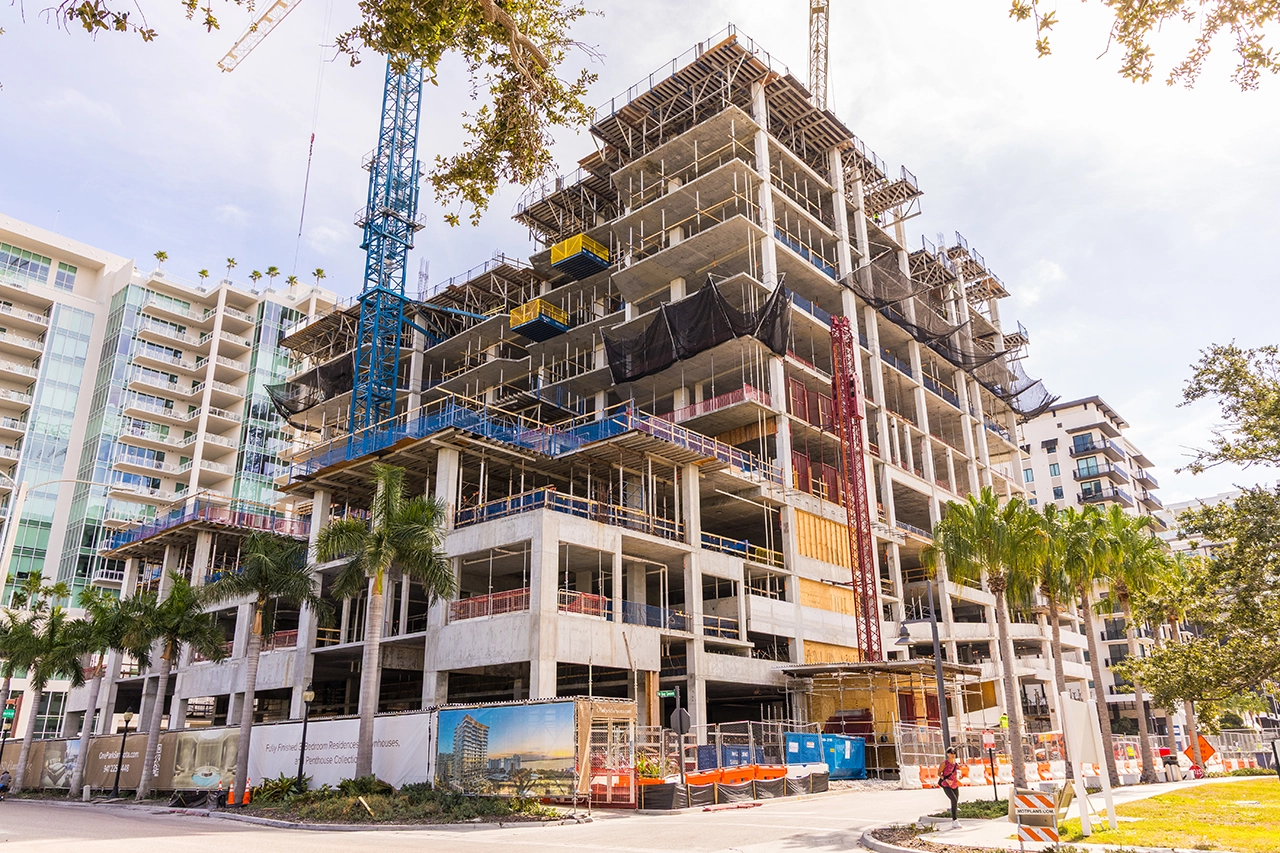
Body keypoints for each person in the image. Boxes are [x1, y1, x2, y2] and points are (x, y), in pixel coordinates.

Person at [938, 748, 961, 829]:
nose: (953, 754)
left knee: (955, 801)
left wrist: (960, 775)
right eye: (951, 753)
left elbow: (959, 772)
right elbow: (939, 773)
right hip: (946, 784)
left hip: (954, 784)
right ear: (947, 754)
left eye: (954, 753)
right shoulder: (944, 763)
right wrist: (946, 779)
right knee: (954, 799)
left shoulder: (956, 764)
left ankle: (954, 817)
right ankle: (955, 820)